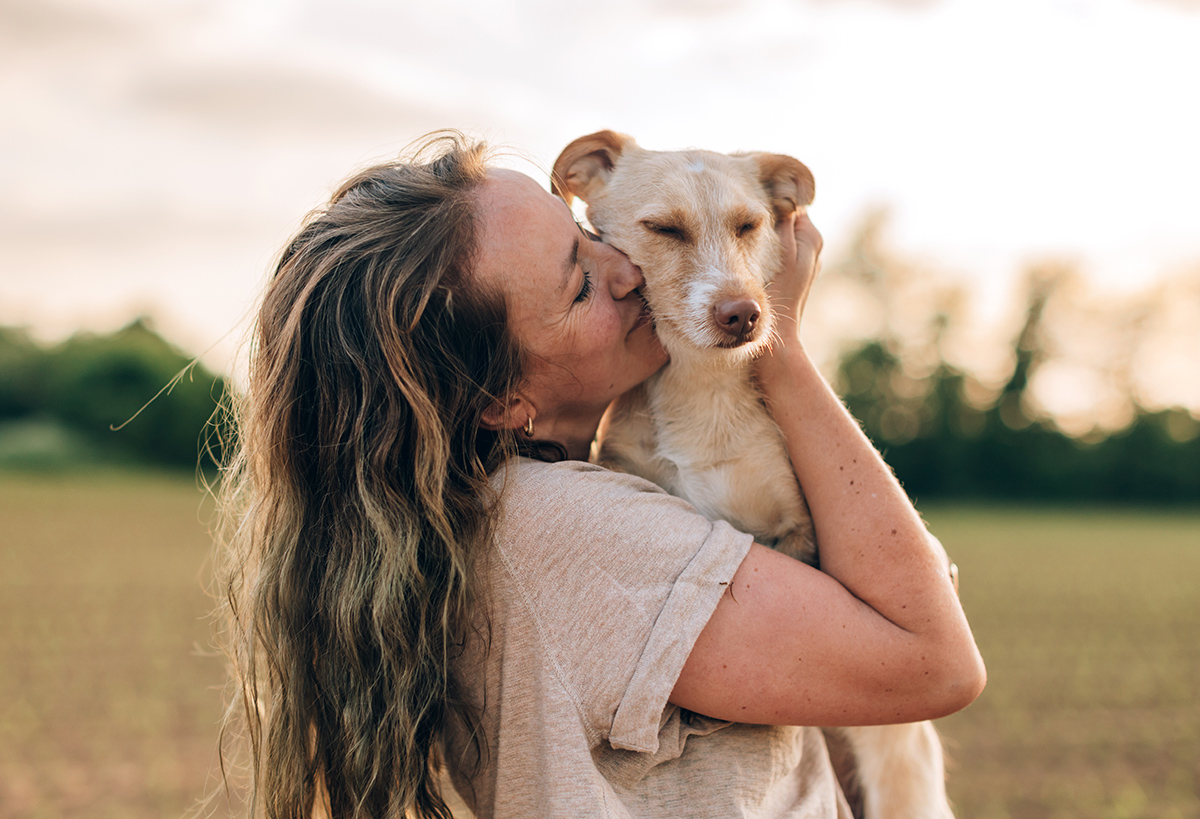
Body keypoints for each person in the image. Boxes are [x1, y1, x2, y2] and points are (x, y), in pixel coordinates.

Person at [217, 132, 985, 819]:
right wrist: (781, 347)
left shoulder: (511, 504)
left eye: (587, 238)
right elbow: (936, 658)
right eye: (579, 283)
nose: (621, 271)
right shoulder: (572, 530)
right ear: (501, 399)